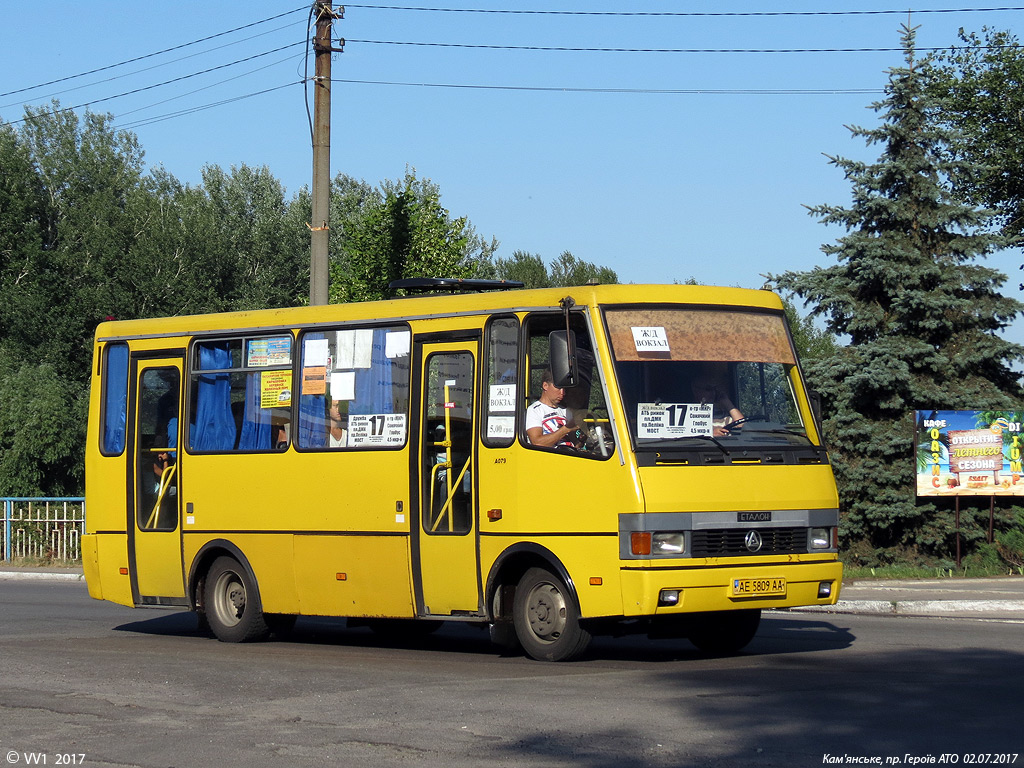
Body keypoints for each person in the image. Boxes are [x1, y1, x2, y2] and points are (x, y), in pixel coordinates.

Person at [525, 369, 581, 448]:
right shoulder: (535, 410)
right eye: (558, 388)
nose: (562, 393)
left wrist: (581, 441)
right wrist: (566, 429)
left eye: (564, 389)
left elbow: (575, 443)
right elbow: (537, 443)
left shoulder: (565, 411)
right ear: (545, 386)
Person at [690, 363, 744, 436]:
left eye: (714, 389)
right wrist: (710, 434)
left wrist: (727, 402)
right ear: (696, 390)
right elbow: (683, 434)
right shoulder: (690, 415)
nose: (713, 392)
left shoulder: (724, 416)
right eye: (708, 389)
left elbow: (743, 427)